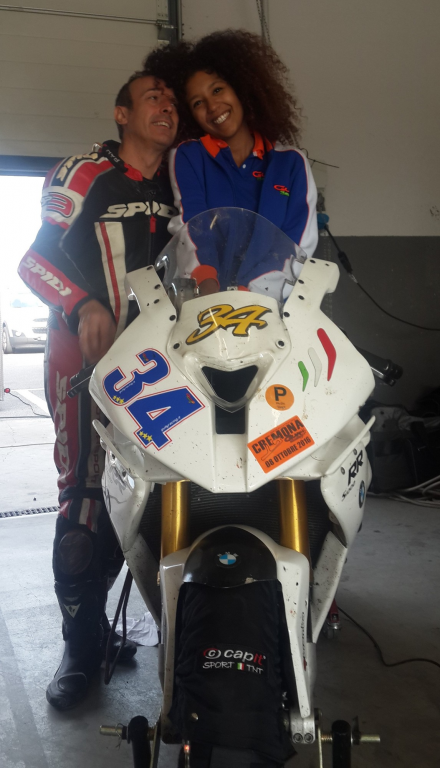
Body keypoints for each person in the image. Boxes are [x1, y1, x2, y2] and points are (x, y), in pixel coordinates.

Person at [17, 62, 179, 710]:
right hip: (80, 364)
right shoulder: (83, 171)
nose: (165, 106)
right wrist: (84, 304)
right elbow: (33, 260)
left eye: (171, 100)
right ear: (122, 114)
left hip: (158, 369)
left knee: (156, 496)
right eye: (151, 98)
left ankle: (134, 628)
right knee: (85, 505)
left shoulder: (181, 178)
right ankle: (80, 649)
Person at [145, 30, 318, 296]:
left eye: (217, 90)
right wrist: (208, 287)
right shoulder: (188, 156)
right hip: (207, 301)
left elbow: (298, 244)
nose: (213, 106)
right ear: (191, 114)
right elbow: (192, 227)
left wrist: (251, 294)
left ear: (240, 88)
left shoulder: (292, 163)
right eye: (198, 103)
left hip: (272, 306)